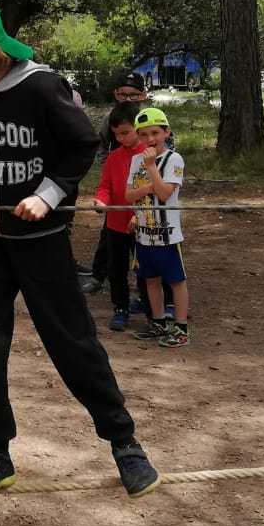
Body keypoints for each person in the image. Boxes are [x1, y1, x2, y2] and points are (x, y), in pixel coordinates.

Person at [0, 0, 163, 503]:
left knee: (71, 339)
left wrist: (48, 195)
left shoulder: (43, 86)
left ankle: (124, 442)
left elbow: (81, 145)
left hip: (41, 241)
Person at [122, 106, 191, 347]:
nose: (150, 139)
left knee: (175, 280)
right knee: (150, 279)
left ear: (166, 132)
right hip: (144, 233)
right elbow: (128, 196)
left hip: (167, 234)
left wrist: (151, 167)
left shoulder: (174, 159)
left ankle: (181, 328)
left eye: (155, 133)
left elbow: (164, 193)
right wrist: (146, 188)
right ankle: (158, 322)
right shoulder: (135, 160)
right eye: (143, 134)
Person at [80, 70, 148, 296]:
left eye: (134, 95)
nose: (128, 99)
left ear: (143, 95)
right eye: (123, 94)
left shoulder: (151, 117)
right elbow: (101, 143)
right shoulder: (111, 119)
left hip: (144, 198)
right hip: (117, 194)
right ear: (116, 94)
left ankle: (150, 290)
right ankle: (100, 276)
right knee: (109, 239)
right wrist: (108, 164)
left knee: (145, 247)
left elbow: (166, 145)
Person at [91, 101, 149, 333]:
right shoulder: (114, 157)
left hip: (142, 225)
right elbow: (105, 186)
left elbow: (152, 191)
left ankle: (149, 304)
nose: (121, 138)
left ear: (137, 128)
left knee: (144, 268)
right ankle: (120, 308)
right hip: (115, 224)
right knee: (116, 269)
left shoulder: (148, 156)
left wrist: (139, 214)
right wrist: (101, 200)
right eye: (116, 134)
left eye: (126, 132)